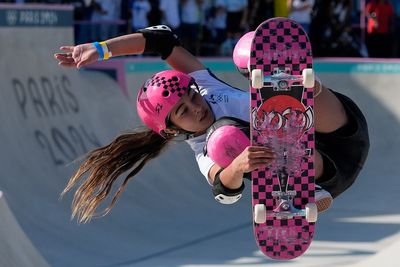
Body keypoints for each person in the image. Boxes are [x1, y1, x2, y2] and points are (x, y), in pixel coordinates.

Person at [54, 24, 370, 223]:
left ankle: (299, 85)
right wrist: (238, 166)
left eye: (192, 95)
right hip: (323, 174)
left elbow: (161, 41)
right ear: (170, 129)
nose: (197, 106)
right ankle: (297, 191)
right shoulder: (204, 151)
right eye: (183, 111)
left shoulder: (204, 83)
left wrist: (101, 49)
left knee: (247, 52)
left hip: (338, 127)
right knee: (224, 139)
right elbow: (225, 190)